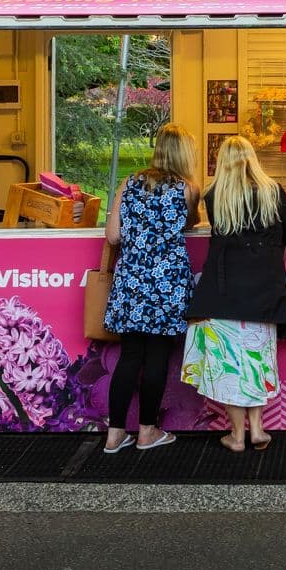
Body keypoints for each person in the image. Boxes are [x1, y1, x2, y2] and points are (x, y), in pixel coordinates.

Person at [182, 136, 286, 452]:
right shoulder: (272, 192)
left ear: (222, 162)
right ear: (253, 159)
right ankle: (259, 430)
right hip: (264, 294)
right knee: (257, 361)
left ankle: (237, 436)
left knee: (229, 366)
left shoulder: (214, 196)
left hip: (223, 295)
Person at [101, 124, 200, 454]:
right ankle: (147, 432)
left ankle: (115, 435)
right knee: (157, 356)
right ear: (185, 154)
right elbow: (189, 224)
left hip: (131, 281)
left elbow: (113, 236)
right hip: (166, 285)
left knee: (130, 356)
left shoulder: (129, 183)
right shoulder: (187, 189)